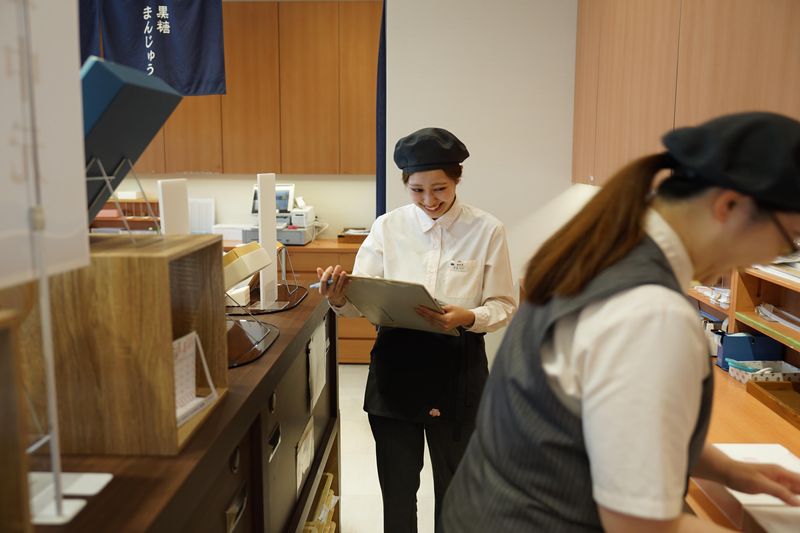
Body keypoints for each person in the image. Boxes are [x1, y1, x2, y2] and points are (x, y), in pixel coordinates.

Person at [441, 111, 800, 532]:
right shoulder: (652, 314)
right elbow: (639, 526)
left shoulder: (600, 248)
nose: (773, 257)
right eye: (788, 242)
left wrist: (731, 471)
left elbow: (624, 427)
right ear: (730, 206)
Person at [316, 127, 517, 532]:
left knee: (456, 491)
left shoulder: (487, 230)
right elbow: (360, 300)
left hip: (458, 369)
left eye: (440, 188)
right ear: (405, 184)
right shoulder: (388, 227)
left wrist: (467, 317)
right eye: (417, 190)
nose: (429, 200)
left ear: (458, 179)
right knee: (397, 490)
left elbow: (503, 306)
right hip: (396, 368)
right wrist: (338, 298)